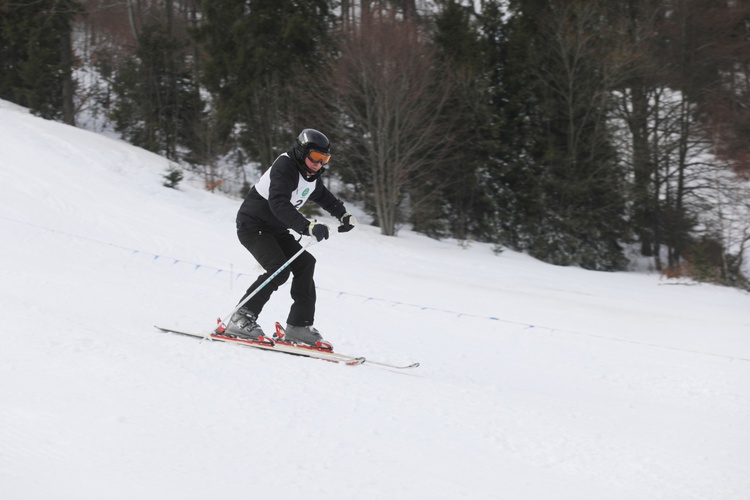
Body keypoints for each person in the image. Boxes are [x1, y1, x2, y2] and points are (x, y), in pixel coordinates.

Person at [223, 129, 356, 349]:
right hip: (253, 225)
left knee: (305, 263)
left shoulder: (311, 175)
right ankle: (241, 317)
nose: (319, 164)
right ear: (302, 151)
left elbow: (323, 196)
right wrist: (308, 226)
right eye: (315, 157)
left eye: (325, 159)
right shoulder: (285, 167)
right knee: (278, 268)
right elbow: (278, 203)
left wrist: (342, 214)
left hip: (276, 229)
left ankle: (299, 326)